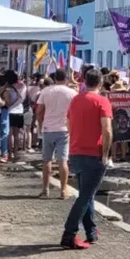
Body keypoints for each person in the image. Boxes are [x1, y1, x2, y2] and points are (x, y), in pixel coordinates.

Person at [61, 69, 113, 249]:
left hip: (76, 151)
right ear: (100, 83)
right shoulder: (102, 101)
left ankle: (91, 232)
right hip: (94, 153)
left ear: (84, 82)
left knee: (87, 194)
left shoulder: (76, 99)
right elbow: (107, 129)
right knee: (84, 196)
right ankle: (69, 233)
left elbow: (68, 123)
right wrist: (106, 154)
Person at [37, 69, 77, 198]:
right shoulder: (72, 93)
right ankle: (63, 190)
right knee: (63, 161)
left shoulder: (46, 91)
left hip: (48, 128)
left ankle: (45, 189)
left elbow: (39, 110)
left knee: (46, 160)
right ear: (66, 79)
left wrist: (39, 124)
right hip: (64, 129)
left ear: (55, 79)